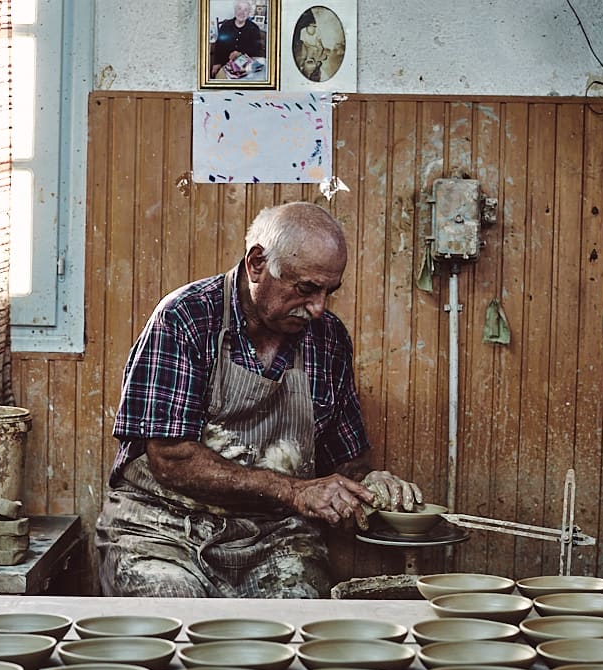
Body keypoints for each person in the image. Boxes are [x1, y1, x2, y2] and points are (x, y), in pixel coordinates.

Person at [96, 202, 424, 598]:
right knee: (174, 618)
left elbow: (346, 460)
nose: (319, 308)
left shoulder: (328, 338)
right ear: (256, 264)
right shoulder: (185, 318)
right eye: (306, 289)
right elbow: (171, 458)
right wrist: (295, 491)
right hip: (162, 530)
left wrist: (368, 485)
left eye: (328, 292)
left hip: (274, 536)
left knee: (298, 617)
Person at [209, 0, 265, 79]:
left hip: (246, 66)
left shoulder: (254, 28)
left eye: (246, 10)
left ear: (249, 13)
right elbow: (219, 47)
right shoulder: (225, 26)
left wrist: (240, 55)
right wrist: (217, 63)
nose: (242, 12)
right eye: (239, 9)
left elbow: (256, 51)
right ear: (235, 10)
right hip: (226, 64)